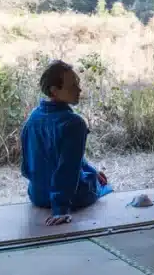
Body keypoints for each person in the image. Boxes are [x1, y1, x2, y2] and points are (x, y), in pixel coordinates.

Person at [21, 60, 113, 226]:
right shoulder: (74, 123)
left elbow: (28, 166)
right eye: (72, 86)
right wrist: (60, 209)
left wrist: (90, 169)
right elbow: (67, 169)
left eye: (77, 84)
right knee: (103, 185)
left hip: (36, 195)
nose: (79, 89)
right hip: (71, 198)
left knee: (93, 174)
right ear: (54, 91)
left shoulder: (34, 117)